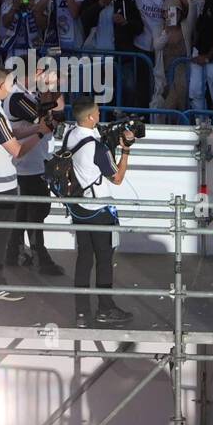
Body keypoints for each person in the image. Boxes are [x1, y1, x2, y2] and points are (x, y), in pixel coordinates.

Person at [0, 65, 56, 302]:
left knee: (0, 226)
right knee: (2, 230)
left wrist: (37, 127)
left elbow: (8, 132)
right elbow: (16, 150)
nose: (12, 88)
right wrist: (39, 134)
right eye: (9, 84)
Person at [62, 101, 134, 327]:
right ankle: (105, 309)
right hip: (100, 211)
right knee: (104, 260)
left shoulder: (70, 134)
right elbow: (118, 178)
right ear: (91, 118)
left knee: (84, 259)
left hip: (78, 207)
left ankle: (81, 313)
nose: (100, 115)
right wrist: (125, 150)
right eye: (97, 113)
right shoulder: (97, 148)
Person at [2, 63, 65, 277]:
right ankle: (41, 258)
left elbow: (57, 114)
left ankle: (14, 251)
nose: (43, 74)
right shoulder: (18, 98)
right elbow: (48, 118)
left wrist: (54, 90)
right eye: (40, 71)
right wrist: (53, 89)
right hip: (28, 163)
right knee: (37, 211)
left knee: (26, 211)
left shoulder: (28, 94)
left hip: (36, 161)